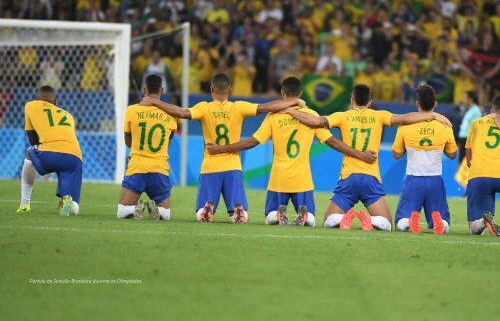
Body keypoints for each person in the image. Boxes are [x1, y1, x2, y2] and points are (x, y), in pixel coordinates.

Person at [206, 77, 377, 227]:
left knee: (270, 216)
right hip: (302, 179)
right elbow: (332, 142)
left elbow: (252, 142)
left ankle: (278, 215)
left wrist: (220, 149)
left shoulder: (273, 116)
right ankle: (305, 216)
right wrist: (360, 154)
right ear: (301, 93)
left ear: (282, 93)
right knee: (311, 218)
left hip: (278, 179)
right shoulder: (311, 115)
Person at [283, 84, 452, 231]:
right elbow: (406, 118)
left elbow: (315, 121)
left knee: (328, 220)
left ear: (351, 101)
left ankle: (343, 219)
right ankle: (370, 220)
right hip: (371, 179)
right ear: (370, 102)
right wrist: (432, 115)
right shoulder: (379, 116)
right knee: (386, 223)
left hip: (348, 178)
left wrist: (290, 110)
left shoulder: (343, 116)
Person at [140, 73, 305, 223]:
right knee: (241, 214)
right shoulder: (239, 107)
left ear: (211, 89)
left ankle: (207, 208)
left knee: (200, 214)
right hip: (233, 167)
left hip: (210, 166)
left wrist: (155, 101)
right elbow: (268, 107)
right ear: (230, 90)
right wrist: (294, 101)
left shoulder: (204, 107)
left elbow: (182, 113)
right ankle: (237, 211)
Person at [393, 85, 458, 235]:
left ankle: (410, 221)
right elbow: (452, 154)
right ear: (435, 104)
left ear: (417, 104)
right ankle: (438, 222)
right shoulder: (445, 125)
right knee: (445, 224)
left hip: (413, 180)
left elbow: (396, 155)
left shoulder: (405, 126)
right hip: (435, 180)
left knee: (401, 222)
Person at [117, 75, 176, 221]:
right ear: (162, 90)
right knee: (165, 215)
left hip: (137, 168)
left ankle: (137, 207)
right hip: (159, 170)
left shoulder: (131, 111)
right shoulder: (172, 115)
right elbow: (168, 143)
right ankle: (154, 208)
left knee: (123, 212)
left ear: (144, 89)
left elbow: (128, 142)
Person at [18, 85, 82, 216]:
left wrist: (42, 161)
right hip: (74, 158)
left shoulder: (31, 106)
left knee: (30, 152)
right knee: (73, 205)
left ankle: (24, 204)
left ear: (37, 98)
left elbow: (32, 138)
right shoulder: (68, 115)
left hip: (50, 153)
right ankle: (69, 204)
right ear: (55, 102)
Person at [465, 96, 500, 236]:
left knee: (474, 229)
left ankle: (483, 222)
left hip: (480, 174)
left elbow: (469, 154)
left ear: (492, 110)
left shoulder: (476, 123)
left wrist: (471, 164)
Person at [458, 91, 482, 161]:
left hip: (468, 140)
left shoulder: (476, 111)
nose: (463, 100)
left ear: (470, 99)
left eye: (465, 97)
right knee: (462, 162)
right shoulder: (470, 110)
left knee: (465, 163)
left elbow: (477, 127)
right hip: (463, 139)